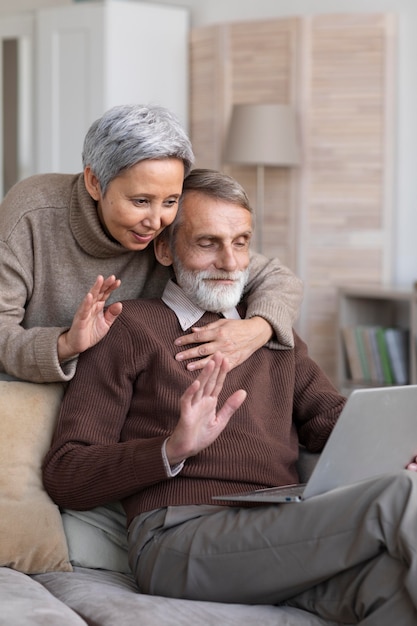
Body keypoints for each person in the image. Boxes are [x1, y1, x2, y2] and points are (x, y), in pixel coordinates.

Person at [43, 169, 417, 624]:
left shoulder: (272, 335)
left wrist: (399, 448)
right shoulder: (128, 328)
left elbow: (330, 419)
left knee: (394, 590)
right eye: (208, 243)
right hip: (178, 538)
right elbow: (66, 472)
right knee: (400, 497)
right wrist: (169, 450)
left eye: (241, 242)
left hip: (281, 525)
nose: (230, 261)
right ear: (165, 248)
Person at [0, 104, 302, 383]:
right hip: (37, 387)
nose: (157, 222)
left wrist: (257, 329)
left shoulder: (171, 226)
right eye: (141, 201)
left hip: (131, 389)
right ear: (94, 182)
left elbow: (277, 278)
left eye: (170, 200)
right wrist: (65, 343)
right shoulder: (31, 214)